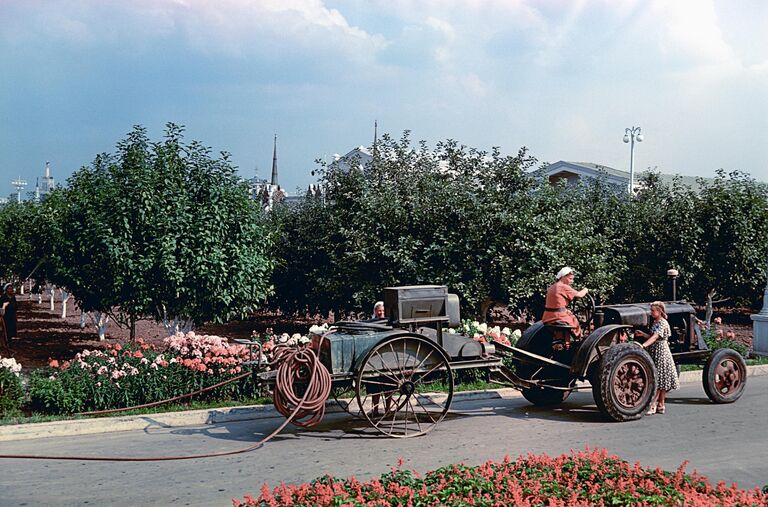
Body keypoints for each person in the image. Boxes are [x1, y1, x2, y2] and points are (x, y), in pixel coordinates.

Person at [634, 301, 679, 415]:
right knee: (662, 379)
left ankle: (653, 405)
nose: (651, 312)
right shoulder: (656, 322)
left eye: (653, 310)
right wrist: (643, 335)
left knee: (658, 379)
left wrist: (643, 345)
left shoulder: (663, 323)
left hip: (661, 352)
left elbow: (655, 337)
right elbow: (653, 336)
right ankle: (661, 405)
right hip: (655, 350)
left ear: (659, 311)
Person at [541, 267, 589, 337]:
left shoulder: (552, 286)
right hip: (559, 316)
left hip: (547, 316)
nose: (572, 281)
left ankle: (564, 340)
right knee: (574, 320)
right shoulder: (563, 287)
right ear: (563, 277)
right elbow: (580, 295)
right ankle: (579, 338)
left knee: (569, 314)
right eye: (570, 279)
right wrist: (585, 289)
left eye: (572, 279)